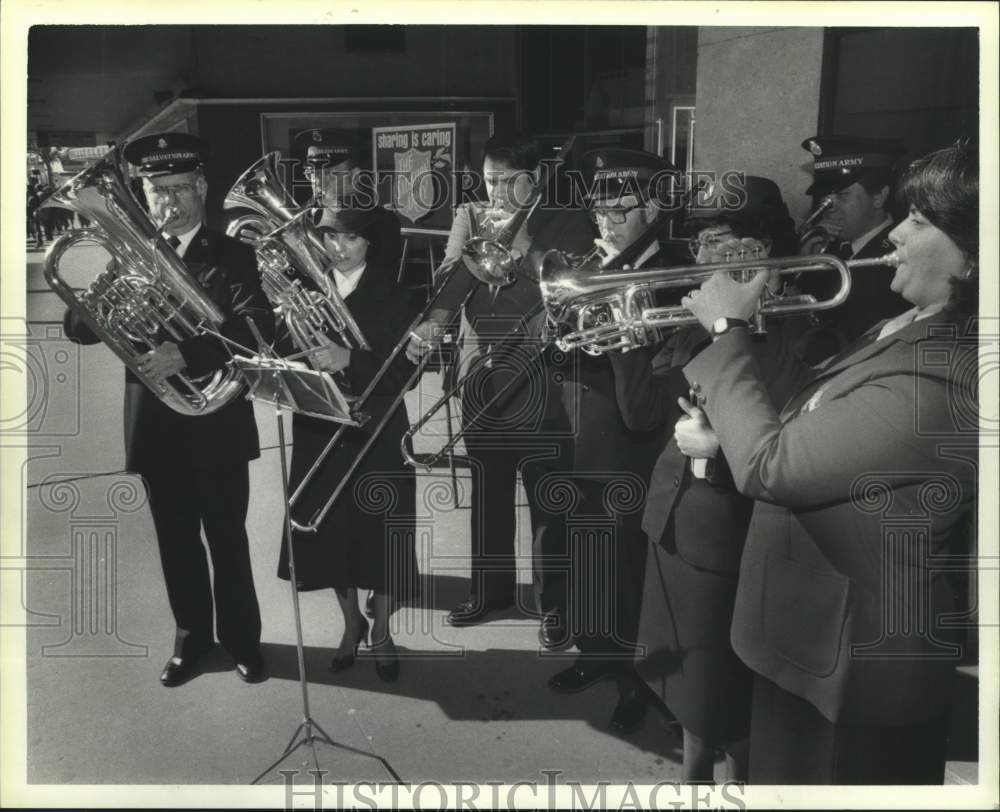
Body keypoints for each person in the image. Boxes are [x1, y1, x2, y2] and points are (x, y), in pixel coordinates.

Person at [678, 142, 978, 784]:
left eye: (921, 222)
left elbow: (773, 464)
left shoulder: (949, 373)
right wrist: (747, 348)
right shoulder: (909, 326)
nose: (896, 231)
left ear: (977, 254)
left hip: (853, 671)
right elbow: (806, 411)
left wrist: (728, 332)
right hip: (807, 642)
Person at [63, 133, 273, 687]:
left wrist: (186, 351)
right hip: (157, 426)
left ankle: (244, 641)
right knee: (176, 543)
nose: (169, 203)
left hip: (217, 423)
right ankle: (192, 642)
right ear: (144, 194)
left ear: (202, 188)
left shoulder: (233, 255)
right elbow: (79, 330)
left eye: (180, 189)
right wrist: (103, 298)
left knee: (227, 540)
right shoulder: (131, 256)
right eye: (158, 192)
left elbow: (256, 328)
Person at [609, 174, 796, 779]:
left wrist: (714, 444)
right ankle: (692, 776)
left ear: (760, 248)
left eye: (719, 240)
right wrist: (625, 334)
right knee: (689, 679)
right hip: (676, 518)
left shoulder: (801, 324)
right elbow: (641, 414)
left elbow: (783, 435)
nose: (703, 256)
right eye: (699, 243)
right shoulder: (693, 315)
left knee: (726, 685)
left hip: (734, 529)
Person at [405, 131, 595, 633]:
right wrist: (435, 315)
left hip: (538, 375)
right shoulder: (470, 216)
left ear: (533, 180)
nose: (496, 193)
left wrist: (526, 243)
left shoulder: (567, 221)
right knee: (487, 491)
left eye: (508, 182)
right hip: (480, 373)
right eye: (489, 181)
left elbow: (565, 290)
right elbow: (448, 281)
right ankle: (487, 593)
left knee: (547, 497)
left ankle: (553, 604)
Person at [546, 148, 684, 735]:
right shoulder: (591, 262)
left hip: (635, 450)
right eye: (598, 206)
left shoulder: (673, 272)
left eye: (618, 208)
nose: (604, 219)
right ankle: (597, 653)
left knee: (631, 572)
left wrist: (619, 320)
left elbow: (652, 392)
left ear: (653, 208)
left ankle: (637, 679)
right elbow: (562, 344)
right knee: (590, 560)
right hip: (581, 441)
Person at [276, 206, 419, 683]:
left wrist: (348, 359)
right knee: (332, 532)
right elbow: (281, 352)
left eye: (350, 239)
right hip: (321, 426)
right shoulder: (305, 291)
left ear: (370, 244)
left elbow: (407, 373)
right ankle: (350, 622)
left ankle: (381, 630)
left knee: (381, 533)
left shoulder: (398, 295)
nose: (337, 249)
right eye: (329, 238)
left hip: (377, 425)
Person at [794, 135, 910, 362]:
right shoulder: (827, 251)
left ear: (878, 197)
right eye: (825, 198)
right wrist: (804, 270)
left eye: (841, 195)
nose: (827, 207)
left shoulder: (899, 256)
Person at [294, 128, 403, 277]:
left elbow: (379, 285)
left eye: (329, 174)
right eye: (312, 173)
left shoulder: (381, 223)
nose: (318, 181)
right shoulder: (301, 216)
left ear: (354, 175)